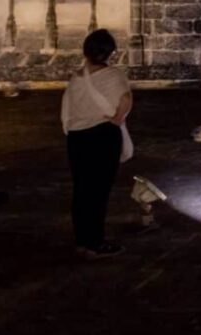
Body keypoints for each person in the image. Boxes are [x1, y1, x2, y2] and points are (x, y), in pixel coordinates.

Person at [61, 29, 132, 258]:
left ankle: (82, 240)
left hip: (77, 138)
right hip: (102, 136)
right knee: (98, 191)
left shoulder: (77, 77)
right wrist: (118, 119)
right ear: (109, 52)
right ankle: (95, 243)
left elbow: (67, 107)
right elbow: (126, 100)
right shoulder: (113, 75)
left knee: (81, 190)